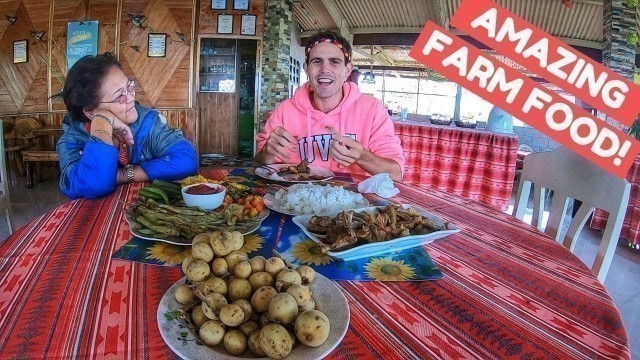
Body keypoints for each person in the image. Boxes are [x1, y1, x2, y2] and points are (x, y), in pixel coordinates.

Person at [255, 30, 404, 181]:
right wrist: (267, 152)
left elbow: (396, 174)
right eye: (317, 61)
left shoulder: (372, 110)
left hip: (356, 200)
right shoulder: (284, 111)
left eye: (334, 62)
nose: (325, 69)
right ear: (306, 69)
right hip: (294, 198)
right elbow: (259, 167)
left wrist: (362, 156)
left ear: (347, 69)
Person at [57, 53, 197, 199]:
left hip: (143, 207)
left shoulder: (147, 121)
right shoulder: (73, 139)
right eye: (119, 96)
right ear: (91, 111)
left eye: (129, 86)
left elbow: (186, 160)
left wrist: (125, 175)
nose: (131, 98)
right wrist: (102, 122)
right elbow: (93, 186)